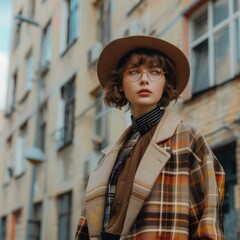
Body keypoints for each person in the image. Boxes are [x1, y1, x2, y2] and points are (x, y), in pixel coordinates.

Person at [75, 35, 225, 240]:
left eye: (155, 72)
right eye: (134, 71)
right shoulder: (109, 156)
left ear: (165, 83)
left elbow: (208, 224)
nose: (144, 79)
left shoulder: (187, 139)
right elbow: (87, 227)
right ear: (120, 86)